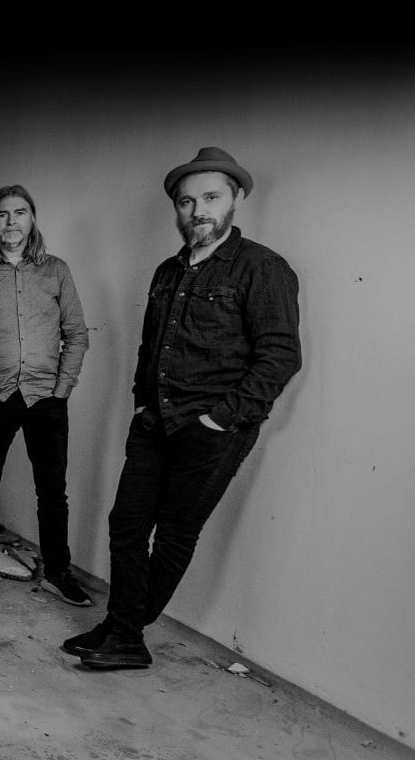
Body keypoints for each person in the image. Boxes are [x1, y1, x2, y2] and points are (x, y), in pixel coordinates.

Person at [65, 147, 301, 669]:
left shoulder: (262, 268)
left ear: (236, 200)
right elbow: (151, 347)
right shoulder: (167, 272)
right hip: (154, 421)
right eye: (187, 201)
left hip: (213, 430)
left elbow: (281, 356)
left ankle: (126, 634)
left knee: (173, 534)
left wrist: (220, 419)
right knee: (127, 526)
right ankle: (123, 627)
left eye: (211, 198)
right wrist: (140, 404)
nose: (199, 211)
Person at [0, 185, 93, 607]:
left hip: (47, 398)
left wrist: (62, 390)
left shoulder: (56, 271)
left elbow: (76, 334)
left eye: (20, 212)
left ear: (32, 220)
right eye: (2, 214)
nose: (11, 221)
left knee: (53, 493)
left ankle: (58, 573)